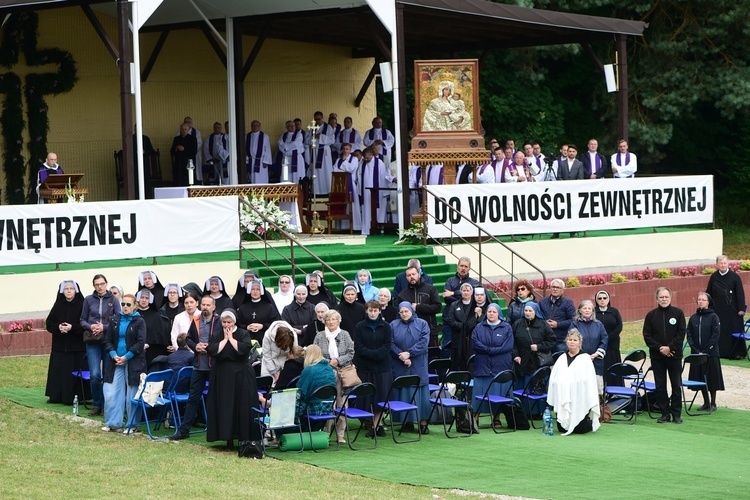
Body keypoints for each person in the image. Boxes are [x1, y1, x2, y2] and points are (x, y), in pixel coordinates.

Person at [206, 309, 260, 450]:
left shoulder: (243, 333)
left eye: (229, 322)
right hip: (222, 374)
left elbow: (244, 350)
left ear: (234, 322)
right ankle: (227, 437)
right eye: (224, 322)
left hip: (241, 373)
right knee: (225, 405)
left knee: (241, 405)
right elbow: (212, 351)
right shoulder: (217, 335)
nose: (226, 325)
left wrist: (231, 339)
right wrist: (225, 339)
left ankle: (243, 437)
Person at [168, 295, 220, 441]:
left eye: (208, 305)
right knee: (193, 398)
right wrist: (195, 346)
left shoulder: (219, 322)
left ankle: (219, 429)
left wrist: (211, 348)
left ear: (214, 307)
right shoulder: (196, 320)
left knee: (216, 398)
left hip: (214, 365)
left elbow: (223, 342)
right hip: (198, 365)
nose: (205, 307)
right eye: (203, 304)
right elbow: (188, 339)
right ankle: (184, 430)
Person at [101, 294, 146, 433]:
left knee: (132, 394)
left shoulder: (139, 321)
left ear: (135, 306)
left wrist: (126, 357)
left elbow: (140, 343)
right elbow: (107, 340)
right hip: (115, 361)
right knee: (111, 392)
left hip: (133, 362)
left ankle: (132, 424)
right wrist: (114, 355)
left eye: (128, 305)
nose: (125, 307)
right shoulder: (115, 319)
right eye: (123, 305)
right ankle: (114, 423)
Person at [643, 287, 686, 424]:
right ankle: (664, 413)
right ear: (657, 299)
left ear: (670, 297)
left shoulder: (678, 313)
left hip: (674, 355)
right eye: (661, 297)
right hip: (657, 357)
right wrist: (660, 348)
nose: (664, 299)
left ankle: (676, 414)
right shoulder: (651, 315)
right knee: (660, 386)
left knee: (676, 386)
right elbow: (647, 336)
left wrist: (670, 348)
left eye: (666, 297)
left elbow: (681, 334)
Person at [80, 274, 121, 417]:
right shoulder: (88, 300)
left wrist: (103, 327)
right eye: (97, 284)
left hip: (108, 341)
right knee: (95, 374)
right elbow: (82, 320)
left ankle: (106, 405)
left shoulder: (114, 300)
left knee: (108, 374)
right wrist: (91, 326)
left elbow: (117, 321)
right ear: (94, 286)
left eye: (102, 283)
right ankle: (97, 404)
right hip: (92, 341)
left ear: (106, 284)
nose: (100, 286)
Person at [547, 330, 601, 435]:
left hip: (579, 396)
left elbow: (589, 380)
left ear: (580, 342)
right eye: (570, 340)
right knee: (562, 428)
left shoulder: (585, 358)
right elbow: (554, 378)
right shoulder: (561, 358)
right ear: (566, 341)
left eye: (575, 340)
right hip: (564, 395)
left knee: (580, 429)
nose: (572, 342)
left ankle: (586, 420)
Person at [352, 300, 393, 438]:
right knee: (367, 398)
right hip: (365, 368)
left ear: (380, 311)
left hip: (383, 368)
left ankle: (376, 425)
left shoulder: (386, 326)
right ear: (366, 311)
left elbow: (387, 345)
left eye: (375, 310)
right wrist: (371, 354)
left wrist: (376, 355)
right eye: (370, 310)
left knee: (381, 397)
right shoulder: (359, 326)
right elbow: (358, 345)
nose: (373, 313)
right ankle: (375, 425)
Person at [314, 309, 355, 443]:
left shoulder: (345, 334)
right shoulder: (319, 336)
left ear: (338, 321)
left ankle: (340, 434)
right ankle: (325, 433)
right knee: (326, 403)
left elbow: (350, 353)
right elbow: (315, 354)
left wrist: (338, 361)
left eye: (333, 319)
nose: (331, 322)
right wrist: (329, 363)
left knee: (342, 403)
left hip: (343, 373)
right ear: (324, 322)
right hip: (326, 373)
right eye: (328, 320)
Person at [471, 303, 514, 432]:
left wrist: (491, 351)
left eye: (494, 312)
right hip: (482, 366)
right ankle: (475, 417)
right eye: (489, 311)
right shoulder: (479, 327)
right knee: (479, 392)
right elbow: (475, 343)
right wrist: (489, 350)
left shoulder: (507, 327)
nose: (491, 314)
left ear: (499, 313)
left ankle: (496, 418)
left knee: (498, 392)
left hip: (500, 365)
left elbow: (508, 346)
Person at [389, 302, 431, 435]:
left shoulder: (422, 323)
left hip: (418, 363)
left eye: (406, 311)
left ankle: (423, 423)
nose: (404, 314)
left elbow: (424, 342)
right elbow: (390, 343)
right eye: (401, 312)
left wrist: (410, 353)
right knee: (404, 392)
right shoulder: (393, 325)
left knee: (420, 393)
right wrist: (401, 356)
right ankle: (406, 422)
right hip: (400, 363)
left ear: (411, 311)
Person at [45, 280, 86, 405]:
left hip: (76, 347)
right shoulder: (57, 305)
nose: (68, 291)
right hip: (60, 346)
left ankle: (79, 396)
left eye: (71, 288)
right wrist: (59, 327)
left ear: (76, 291)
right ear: (62, 291)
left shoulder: (82, 304)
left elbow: (84, 325)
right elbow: (49, 323)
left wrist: (71, 327)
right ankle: (57, 396)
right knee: (59, 372)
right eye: (66, 289)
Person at [686, 292, 724, 412]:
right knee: (700, 377)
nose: (701, 301)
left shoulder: (714, 317)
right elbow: (689, 334)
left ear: (708, 302)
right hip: (697, 354)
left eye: (703, 299)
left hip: (711, 354)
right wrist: (696, 350)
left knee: (712, 378)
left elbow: (715, 335)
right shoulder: (693, 318)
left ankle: (713, 403)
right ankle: (705, 402)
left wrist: (707, 350)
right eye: (699, 299)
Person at [706, 255, 746, 359]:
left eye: (725, 263)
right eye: (721, 263)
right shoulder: (714, 277)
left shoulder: (735, 276)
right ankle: (719, 352)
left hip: (733, 310)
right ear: (717, 265)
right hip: (718, 310)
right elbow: (709, 293)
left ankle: (737, 353)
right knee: (719, 330)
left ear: (728, 264)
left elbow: (740, 293)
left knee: (734, 329)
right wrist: (708, 306)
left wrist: (741, 308)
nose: (723, 265)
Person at [512, 302, 556, 390]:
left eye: (530, 311)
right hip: (522, 361)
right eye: (526, 310)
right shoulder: (517, 324)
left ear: (535, 311)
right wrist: (516, 355)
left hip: (537, 361)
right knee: (521, 388)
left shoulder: (543, 324)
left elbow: (552, 340)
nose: (527, 313)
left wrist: (539, 346)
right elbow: (513, 342)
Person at [441, 257, 479, 357]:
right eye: (461, 265)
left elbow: (474, 296)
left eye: (466, 266)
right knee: (446, 347)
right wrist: (464, 298)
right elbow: (446, 299)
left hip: (467, 323)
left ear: (469, 268)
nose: (463, 268)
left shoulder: (474, 282)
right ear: (457, 266)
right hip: (450, 320)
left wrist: (454, 293)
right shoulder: (450, 281)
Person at [295, 344, 337, 432]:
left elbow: (300, 392)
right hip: (327, 407)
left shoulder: (309, 370)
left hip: (312, 408)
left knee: (291, 404)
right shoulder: (329, 369)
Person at [397, 265, 442, 346]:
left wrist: (419, 307)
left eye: (413, 274)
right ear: (406, 278)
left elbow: (437, 307)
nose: (411, 277)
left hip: (429, 330)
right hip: (410, 333)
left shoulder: (430, 289)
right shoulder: (402, 295)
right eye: (408, 275)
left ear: (419, 274)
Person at [572, 299, 608, 394]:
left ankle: (599, 405)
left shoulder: (598, 325)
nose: (587, 310)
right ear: (580, 310)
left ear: (592, 311)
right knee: (582, 387)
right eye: (585, 308)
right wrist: (584, 355)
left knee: (597, 386)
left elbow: (604, 339)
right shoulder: (574, 324)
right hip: (580, 360)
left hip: (596, 360)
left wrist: (596, 354)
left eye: (589, 308)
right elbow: (572, 340)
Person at [443, 283, 479, 371]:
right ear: (461, 292)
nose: (466, 293)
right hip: (457, 339)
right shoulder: (454, 305)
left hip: (471, 340)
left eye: (468, 290)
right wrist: (463, 327)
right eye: (464, 290)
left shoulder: (476, 306)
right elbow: (450, 320)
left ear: (471, 292)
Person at [135, 289, 171, 369]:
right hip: (134, 351)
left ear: (150, 300)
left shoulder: (156, 315)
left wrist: (147, 344)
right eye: (142, 297)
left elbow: (159, 336)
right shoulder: (134, 314)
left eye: (147, 298)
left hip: (152, 352)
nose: (144, 300)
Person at [594, 290, 623, 386]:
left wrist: (608, 338)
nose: (602, 300)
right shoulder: (593, 312)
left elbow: (619, 326)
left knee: (614, 366)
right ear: (596, 300)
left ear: (608, 299)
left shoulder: (614, 311)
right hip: (598, 345)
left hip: (612, 345)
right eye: (600, 298)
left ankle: (616, 389)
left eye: (604, 298)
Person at [539, 279, 577, 352]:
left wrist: (558, 324)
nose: (555, 289)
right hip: (545, 339)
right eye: (553, 287)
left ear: (562, 290)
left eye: (558, 287)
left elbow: (573, 320)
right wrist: (544, 323)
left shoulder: (568, 302)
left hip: (560, 340)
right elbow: (538, 318)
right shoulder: (542, 302)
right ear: (550, 288)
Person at [359, 146, 389, 236]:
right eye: (364, 157)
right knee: (367, 210)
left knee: (378, 210)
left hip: (378, 192)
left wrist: (384, 192)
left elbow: (383, 177)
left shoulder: (379, 163)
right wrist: (360, 191)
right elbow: (359, 176)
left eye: (367, 156)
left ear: (371, 154)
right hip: (365, 191)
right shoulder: (362, 163)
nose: (366, 158)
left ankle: (379, 229)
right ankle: (366, 230)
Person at [309, 111, 335, 196]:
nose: (317, 121)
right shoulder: (312, 128)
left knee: (326, 170)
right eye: (316, 119)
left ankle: (327, 190)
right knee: (316, 172)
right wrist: (314, 137)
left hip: (324, 153)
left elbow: (332, 140)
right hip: (315, 151)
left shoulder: (328, 128)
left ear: (322, 118)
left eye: (319, 119)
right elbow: (306, 140)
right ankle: (317, 191)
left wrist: (321, 137)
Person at [246, 120, 273, 184]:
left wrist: (266, 161)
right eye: (253, 126)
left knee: (261, 178)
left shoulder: (264, 136)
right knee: (252, 177)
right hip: (251, 160)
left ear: (260, 126)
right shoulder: (247, 136)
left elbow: (268, 149)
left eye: (256, 126)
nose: (255, 127)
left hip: (261, 162)